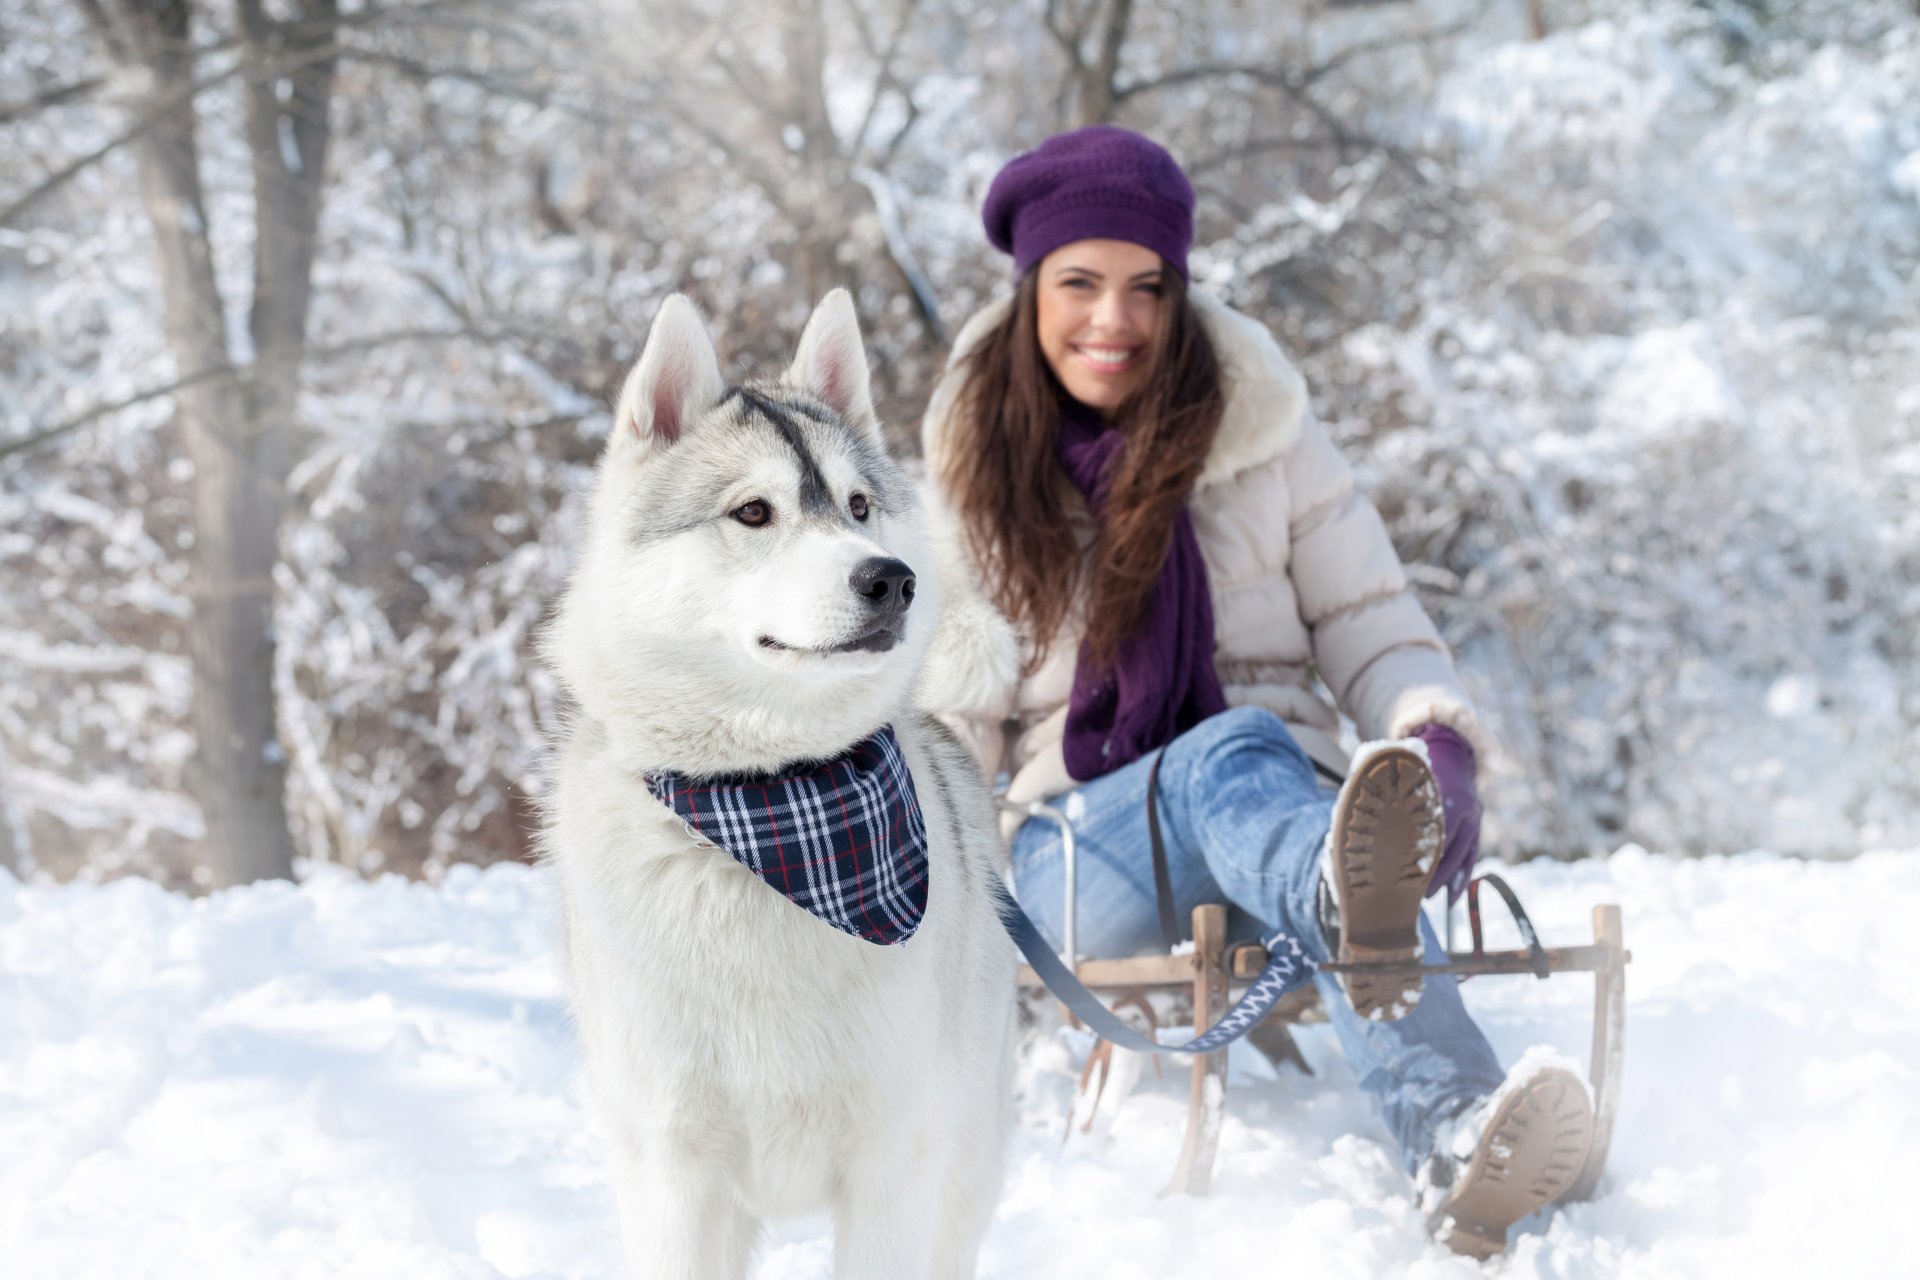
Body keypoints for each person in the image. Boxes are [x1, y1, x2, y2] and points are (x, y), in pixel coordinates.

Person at [920, 126, 1596, 1259]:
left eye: (1147, 287)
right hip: (1080, 860)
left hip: (1278, 828)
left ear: (1181, 295)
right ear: (1032, 289)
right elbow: (943, 733)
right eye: (1080, 283)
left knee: (1275, 792)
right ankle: (1344, 894)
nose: (1115, 321)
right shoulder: (975, 478)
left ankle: (1458, 1137)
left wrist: (1433, 730)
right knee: (1247, 762)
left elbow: (1370, 619)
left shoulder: (1267, 437)